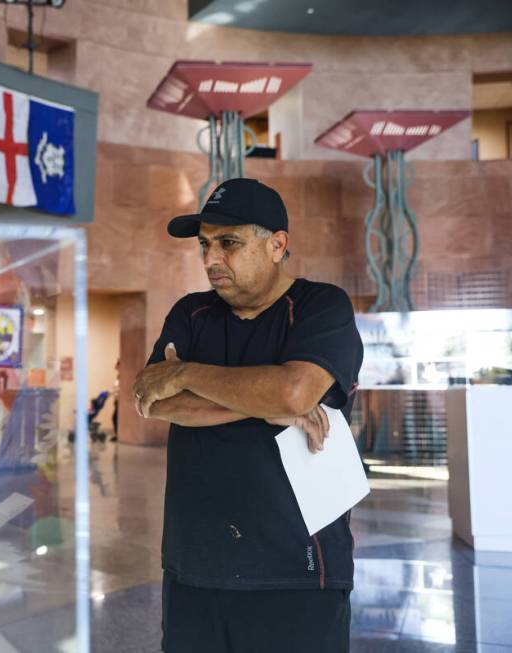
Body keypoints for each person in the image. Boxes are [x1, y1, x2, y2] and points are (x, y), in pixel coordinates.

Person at [133, 178, 363, 652]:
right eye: (205, 245)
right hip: (194, 565)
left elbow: (293, 391)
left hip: (298, 570)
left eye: (229, 243)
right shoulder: (191, 313)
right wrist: (273, 406)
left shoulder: (322, 306)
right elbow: (153, 400)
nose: (211, 259)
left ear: (277, 244)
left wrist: (188, 374)